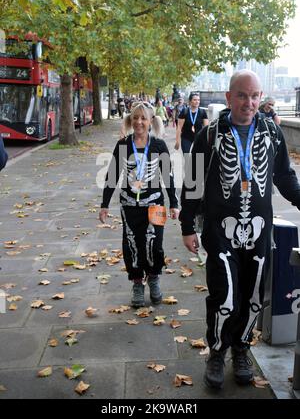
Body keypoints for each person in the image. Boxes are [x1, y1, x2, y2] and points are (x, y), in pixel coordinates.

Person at [180, 70, 300, 389]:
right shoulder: (210, 135)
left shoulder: (272, 133)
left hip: (259, 231)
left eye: (255, 96)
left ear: (261, 98)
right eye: (243, 95)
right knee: (225, 296)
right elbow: (192, 183)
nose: (249, 102)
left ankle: (241, 348)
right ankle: (217, 351)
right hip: (220, 231)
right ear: (228, 97)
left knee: (252, 297)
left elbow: (284, 176)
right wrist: (187, 226)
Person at [99, 102, 179, 308]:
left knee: (155, 244)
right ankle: (136, 283)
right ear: (131, 120)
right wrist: (104, 204)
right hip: (129, 205)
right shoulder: (123, 145)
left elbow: (168, 176)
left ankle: (153, 278)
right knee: (132, 244)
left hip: (156, 204)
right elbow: (112, 175)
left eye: (143, 118)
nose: (139, 122)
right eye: (136, 118)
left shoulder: (159, 145)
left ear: (151, 121)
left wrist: (174, 203)